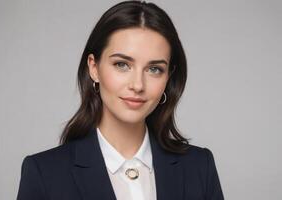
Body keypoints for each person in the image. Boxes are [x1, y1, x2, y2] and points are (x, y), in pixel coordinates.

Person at [16, 1, 224, 199]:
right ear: (94, 68)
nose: (138, 85)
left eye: (154, 69)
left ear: (168, 77)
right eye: (122, 65)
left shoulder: (199, 167)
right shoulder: (44, 173)